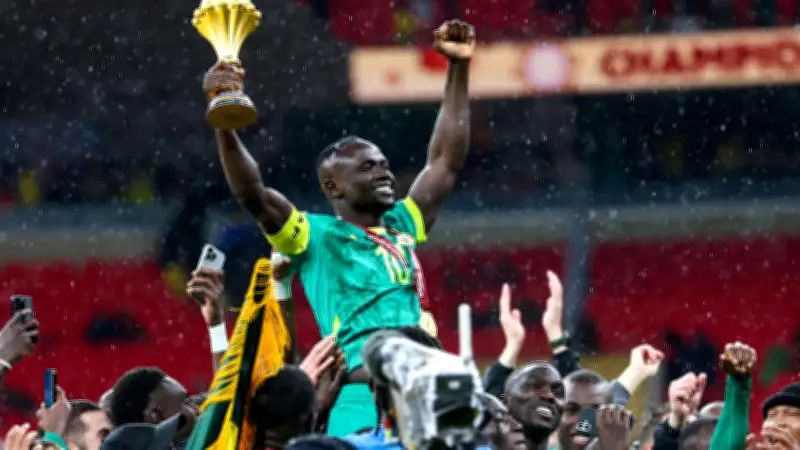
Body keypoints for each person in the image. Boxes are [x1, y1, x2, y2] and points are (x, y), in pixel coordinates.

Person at [201, 19, 475, 436]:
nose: (384, 173)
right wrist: (225, 120)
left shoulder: (402, 222)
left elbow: (444, 161)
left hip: (424, 390)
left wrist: (458, 67)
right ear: (332, 187)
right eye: (367, 168)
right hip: (357, 398)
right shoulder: (313, 236)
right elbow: (253, 193)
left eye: (384, 165)